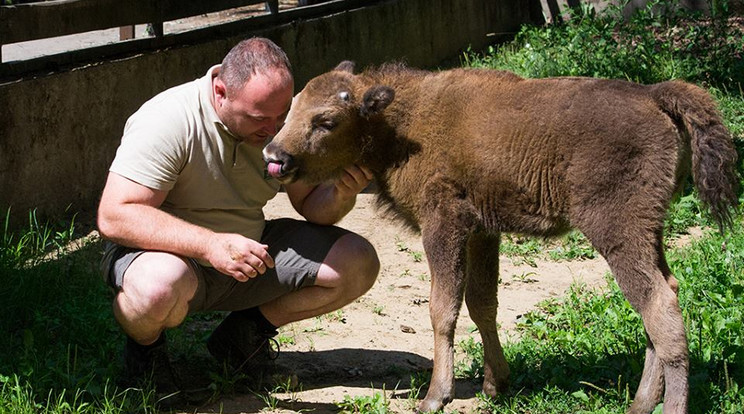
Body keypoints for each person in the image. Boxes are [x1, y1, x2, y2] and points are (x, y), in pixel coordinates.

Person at [96, 37, 380, 397]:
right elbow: (114, 215)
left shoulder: (279, 118)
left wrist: (341, 192)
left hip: (246, 254)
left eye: (281, 116)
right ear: (220, 91)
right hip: (168, 259)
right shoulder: (168, 119)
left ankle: (242, 337)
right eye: (260, 119)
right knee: (157, 289)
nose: (274, 129)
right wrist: (209, 244)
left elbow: (312, 206)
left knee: (356, 263)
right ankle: (145, 355)